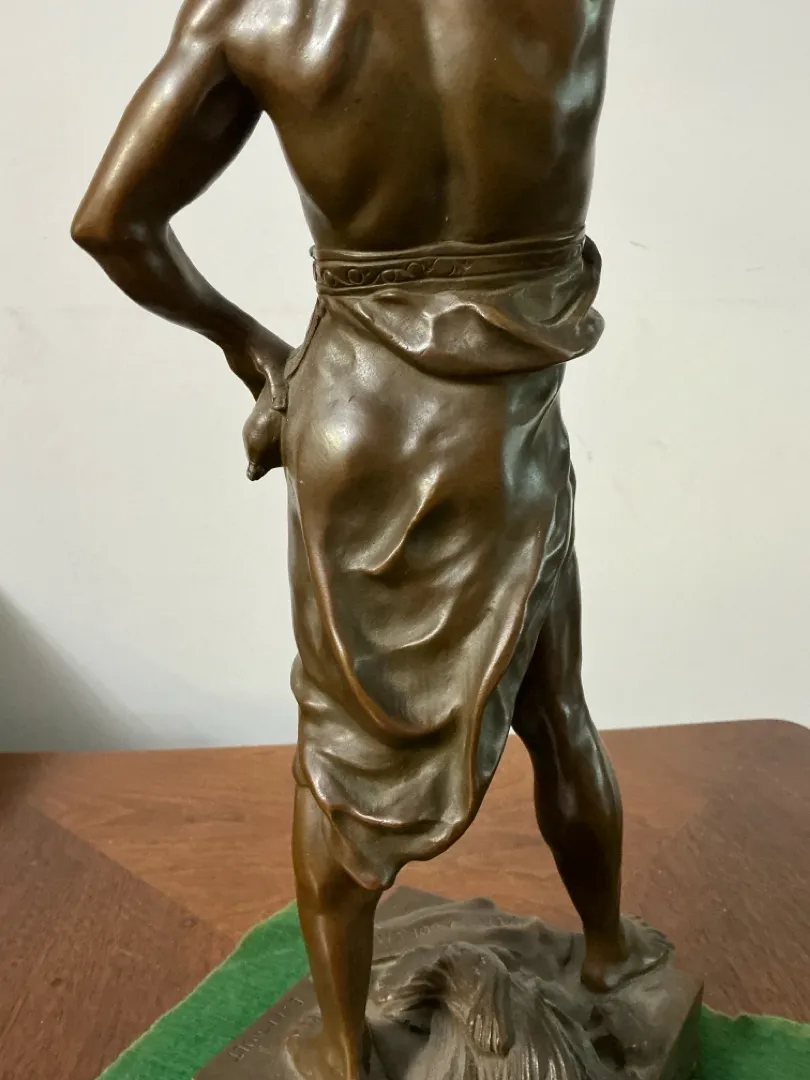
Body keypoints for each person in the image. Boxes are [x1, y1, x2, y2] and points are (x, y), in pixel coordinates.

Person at [73, 2, 670, 1078]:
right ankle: (608, 951)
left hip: (352, 420)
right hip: (504, 428)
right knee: (555, 705)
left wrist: (252, 350)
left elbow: (111, 222)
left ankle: (345, 1051)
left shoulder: (251, 13)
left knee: (337, 752)